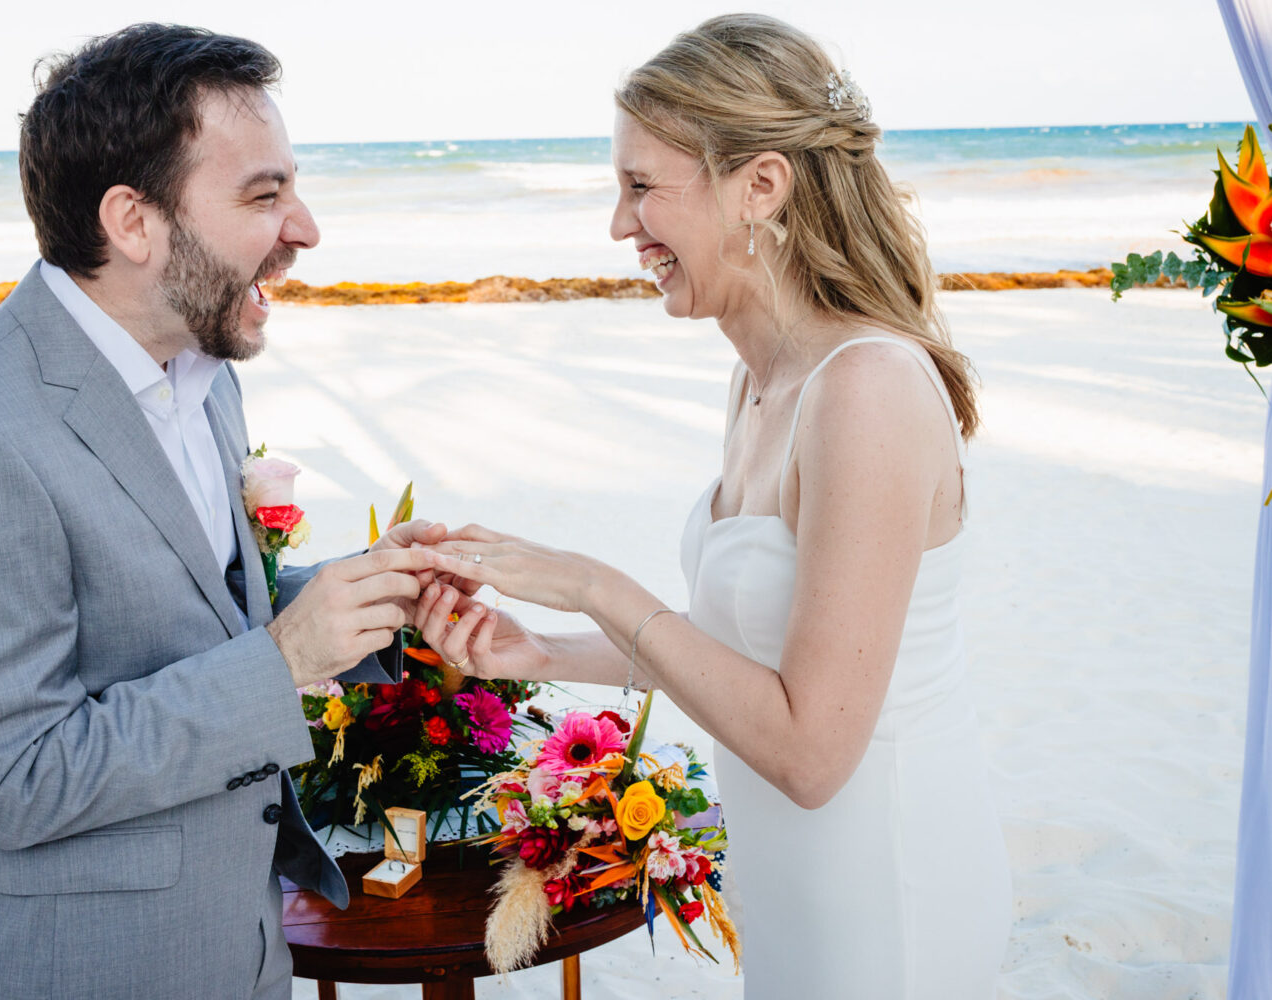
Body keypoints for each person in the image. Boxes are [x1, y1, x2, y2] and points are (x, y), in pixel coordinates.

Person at [414, 14, 1013, 998]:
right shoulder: (763, 379)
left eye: (642, 187)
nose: (620, 226)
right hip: (794, 886)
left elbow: (812, 751)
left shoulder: (866, 390)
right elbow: (748, 648)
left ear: (759, 186)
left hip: (889, 892)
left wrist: (592, 585)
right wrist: (540, 652)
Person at [0, 25, 444, 1000]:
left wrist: (376, 597)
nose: (304, 228)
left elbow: (191, 623)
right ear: (134, 222)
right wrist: (288, 658)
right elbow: (12, 781)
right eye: (265, 195)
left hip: (236, 955)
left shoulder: (205, 376)